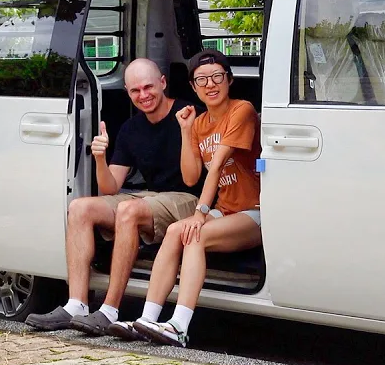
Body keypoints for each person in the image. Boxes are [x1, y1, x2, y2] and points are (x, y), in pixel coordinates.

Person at [26, 58, 200, 333]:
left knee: (128, 210)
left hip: (189, 199)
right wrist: (99, 157)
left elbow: (197, 176)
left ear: (163, 83)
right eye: (135, 91)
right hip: (152, 197)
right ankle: (76, 304)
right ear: (127, 92)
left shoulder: (189, 114)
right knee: (80, 208)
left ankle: (109, 310)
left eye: (148, 87)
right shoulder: (131, 128)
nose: (143, 95)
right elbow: (110, 187)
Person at [111, 50, 262, 346]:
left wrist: (200, 213)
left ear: (229, 80)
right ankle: (146, 319)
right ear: (193, 87)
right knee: (174, 231)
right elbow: (191, 177)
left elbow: (216, 166)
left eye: (217, 76)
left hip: (254, 211)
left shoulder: (241, 110)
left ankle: (179, 325)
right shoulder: (199, 122)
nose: (210, 84)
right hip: (226, 210)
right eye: (201, 80)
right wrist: (185, 130)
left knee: (194, 234)